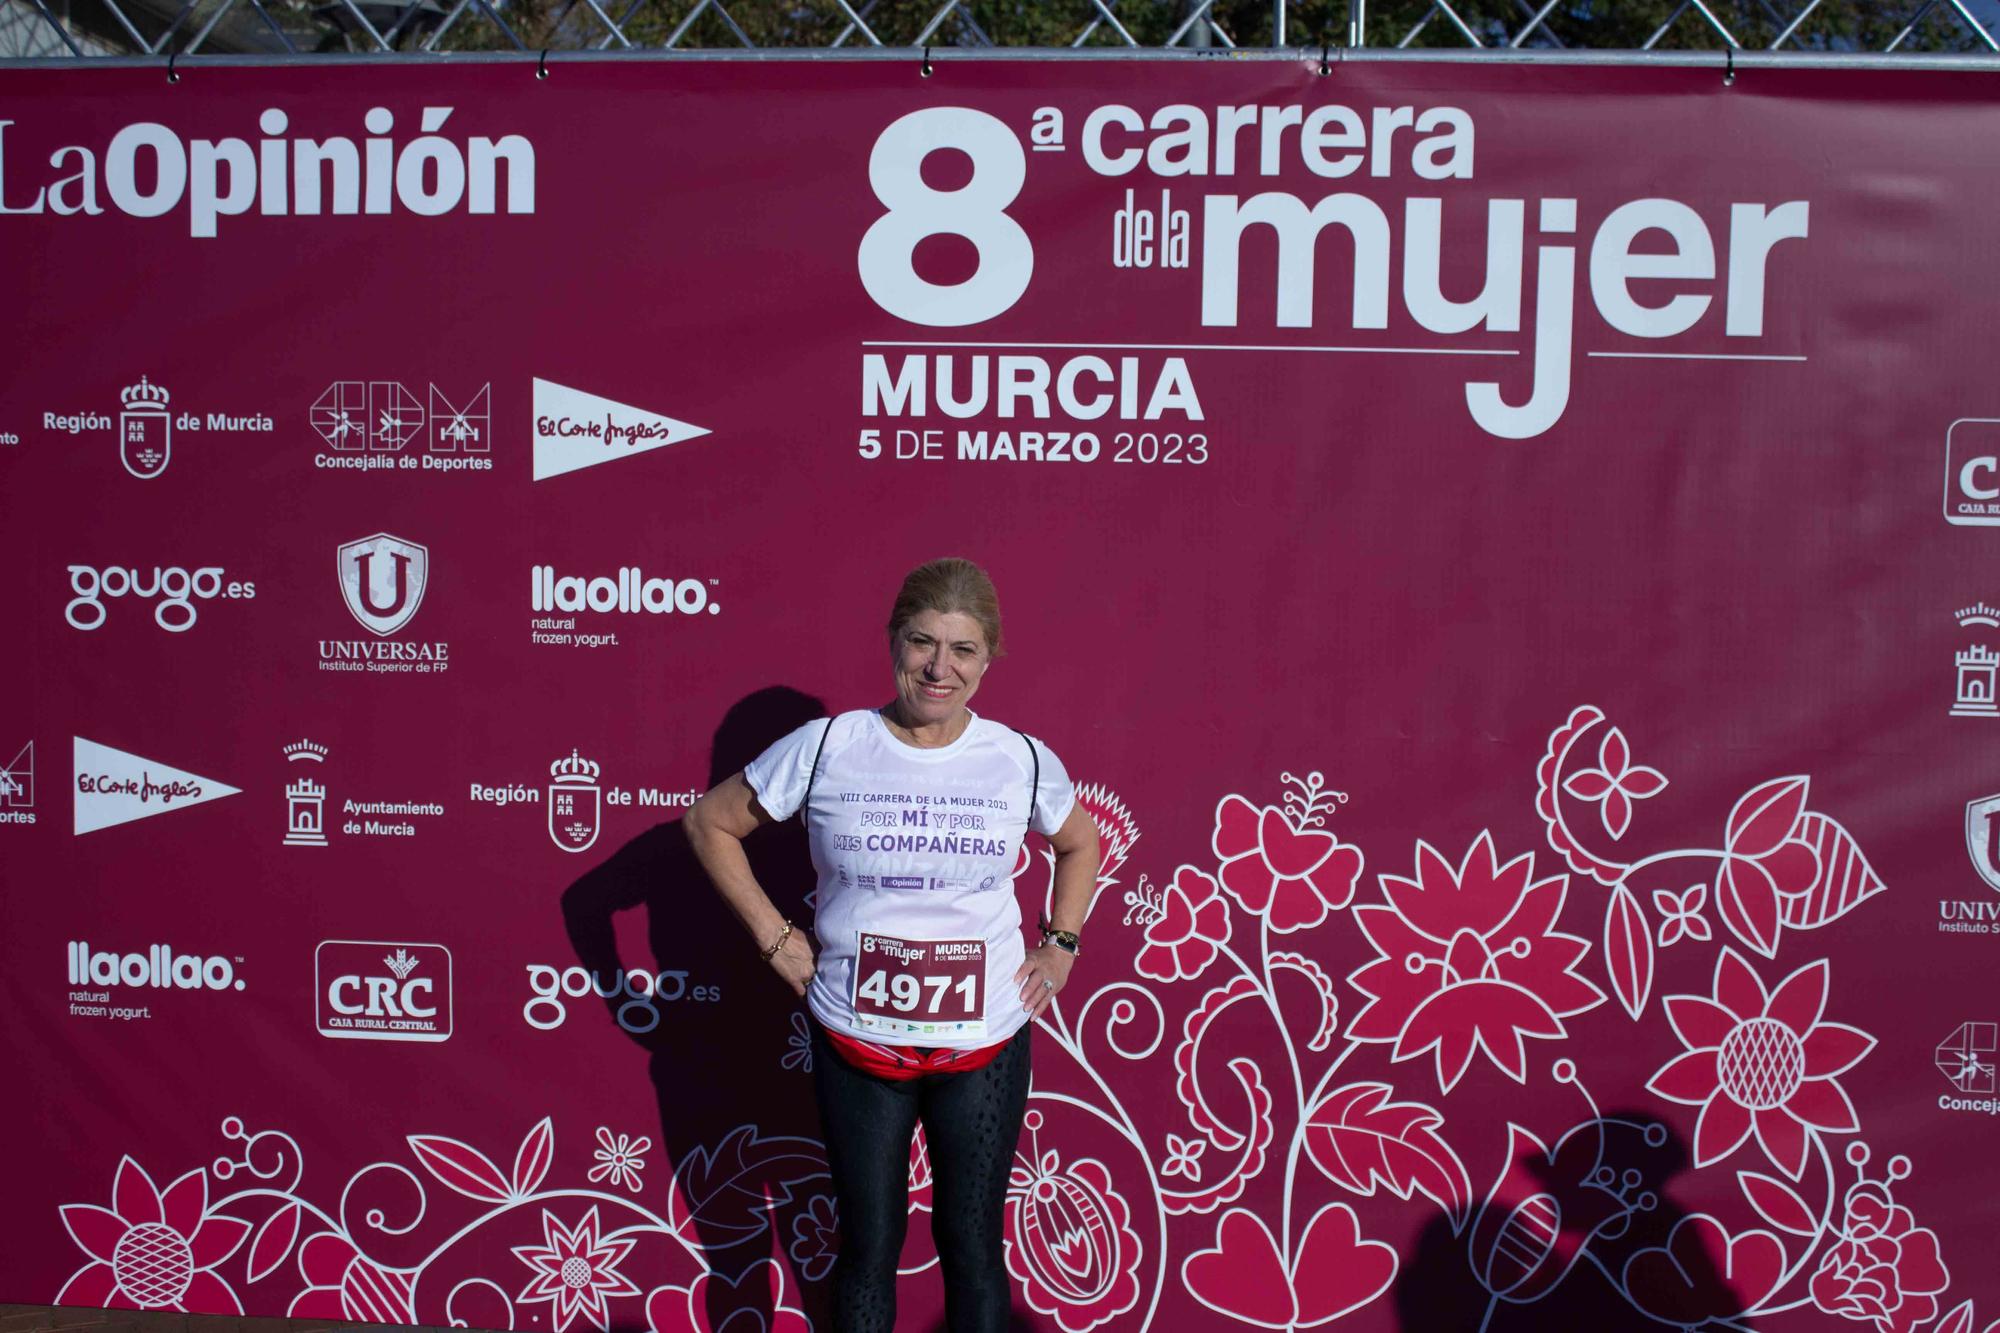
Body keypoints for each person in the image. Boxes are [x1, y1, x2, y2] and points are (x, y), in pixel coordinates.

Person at [684, 558, 1101, 1333]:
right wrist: (775, 937)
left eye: (964, 650)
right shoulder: (828, 744)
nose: (940, 668)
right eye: (922, 643)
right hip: (857, 1041)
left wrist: (1061, 943)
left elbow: (1082, 842)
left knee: (973, 1247)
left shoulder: (1018, 758)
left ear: (989, 658)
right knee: (869, 1245)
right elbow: (710, 822)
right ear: (893, 642)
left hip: (984, 1043)